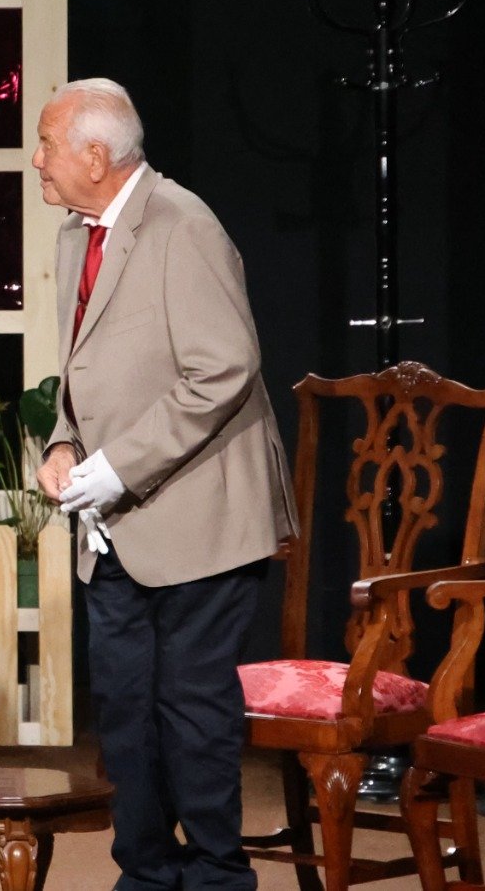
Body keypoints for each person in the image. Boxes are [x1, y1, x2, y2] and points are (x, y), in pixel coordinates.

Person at [32, 79, 296, 890]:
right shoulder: (77, 238)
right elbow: (84, 370)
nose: (35, 160)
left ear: (96, 156)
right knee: (124, 713)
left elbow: (223, 368)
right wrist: (64, 443)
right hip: (112, 523)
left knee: (192, 711)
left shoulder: (184, 225)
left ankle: (218, 876)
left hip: (199, 516)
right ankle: (145, 873)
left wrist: (114, 467)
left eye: (46, 145)